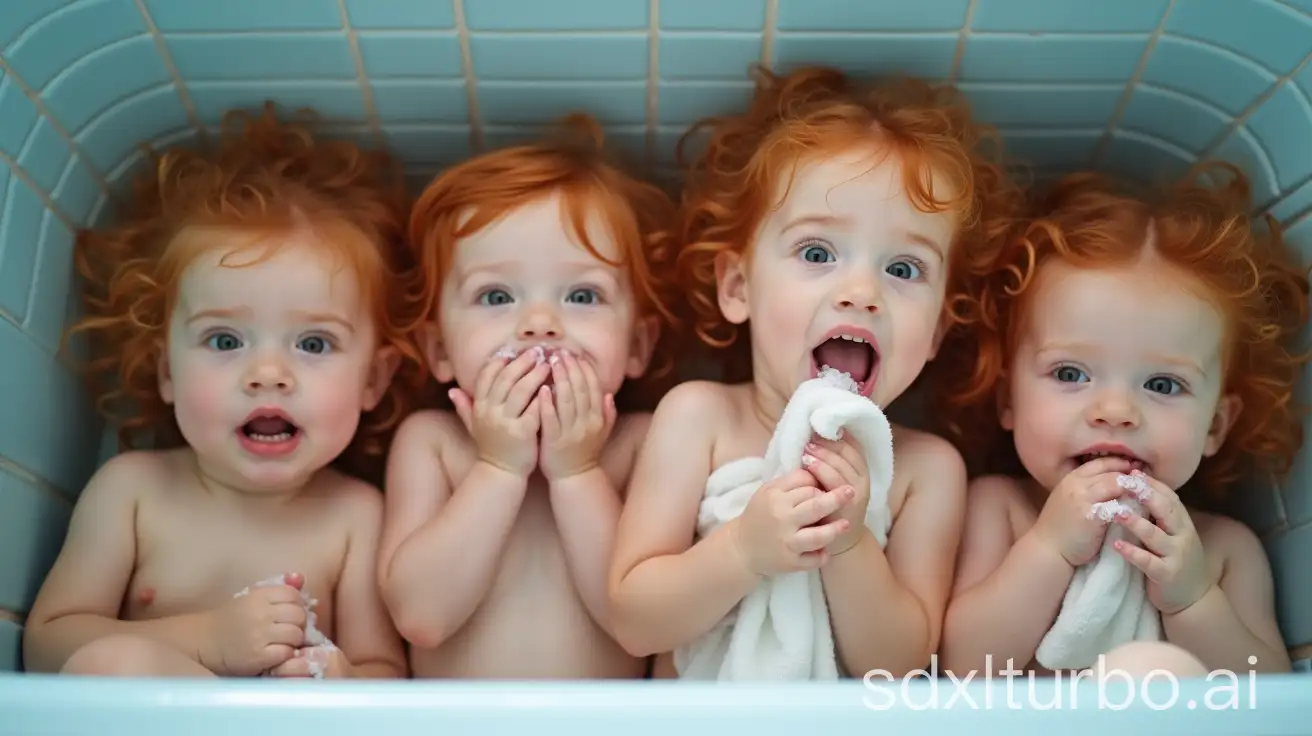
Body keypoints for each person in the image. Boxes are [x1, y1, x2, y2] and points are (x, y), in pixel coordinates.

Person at [607, 65, 1023, 679]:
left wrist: (850, 544)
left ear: (935, 333)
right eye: (817, 253)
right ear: (738, 285)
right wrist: (743, 551)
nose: (861, 292)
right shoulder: (699, 418)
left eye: (904, 269)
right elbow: (634, 623)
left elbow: (902, 669)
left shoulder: (926, 471)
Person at [22, 103, 425, 679]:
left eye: (313, 344)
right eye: (224, 338)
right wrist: (209, 639)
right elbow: (47, 647)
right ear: (166, 371)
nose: (268, 373)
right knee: (112, 661)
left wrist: (335, 677)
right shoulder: (133, 492)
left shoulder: (357, 517)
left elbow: (386, 672)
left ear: (373, 380)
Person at [934, 163, 1306, 678]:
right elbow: (960, 669)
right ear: (1008, 401)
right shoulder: (1001, 510)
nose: (1116, 412)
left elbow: (1265, 697)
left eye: (1162, 385)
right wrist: (1049, 549)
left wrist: (1192, 600)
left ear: (1216, 426)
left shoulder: (1222, 550)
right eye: (1070, 372)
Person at [378, 113, 682, 678]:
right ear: (439, 348)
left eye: (583, 295)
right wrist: (497, 467)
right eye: (495, 296)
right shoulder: (432, 444)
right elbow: (421, 617)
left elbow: (640, 627)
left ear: (637, 344)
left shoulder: (644, 445)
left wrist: (577, 473)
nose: (539, 324)